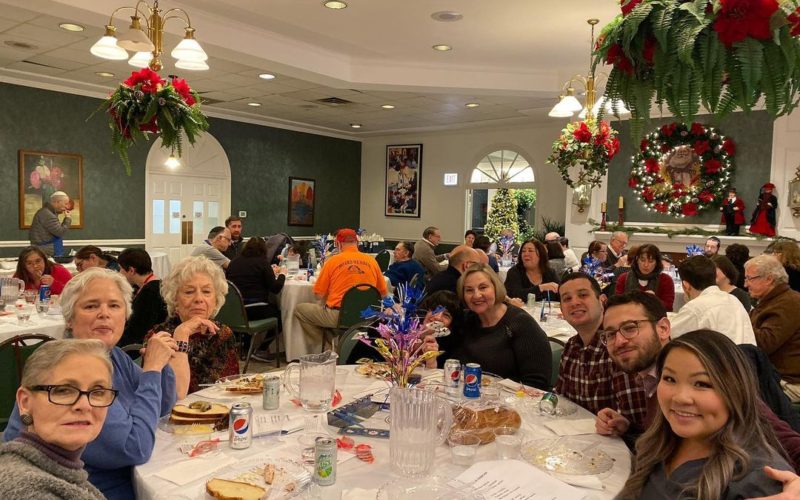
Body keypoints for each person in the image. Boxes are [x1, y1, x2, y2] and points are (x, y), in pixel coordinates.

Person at [4, 268, 188, 500]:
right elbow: (135, 448)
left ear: (126, 316)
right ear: (70, 319)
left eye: (114, 305)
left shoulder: (114, 356)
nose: (104, 314)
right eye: (91, 306)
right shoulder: (67, 366)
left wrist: (161, 366)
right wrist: (151, 370)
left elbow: (161, 409)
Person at [595, 291, 800, 472]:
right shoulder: (648, 378)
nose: (619, 341)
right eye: (611, 334)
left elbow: (784, 441)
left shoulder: (707, 374)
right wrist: (628, 428)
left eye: (630, 328)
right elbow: (673, 442)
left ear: (664, 328)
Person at [616, 330, 792, 499]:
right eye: (670, 379)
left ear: (736, 391)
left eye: (702, 383)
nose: (680, 398)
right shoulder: (660, 442)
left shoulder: (758, 479)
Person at [0, 339, 112, 499]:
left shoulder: (59, 470)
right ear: (25, 402)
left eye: (98, 391)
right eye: (63, 390)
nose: (85, 405)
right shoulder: (24, 489)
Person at [555, 273, 647, 427]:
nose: (574, 302)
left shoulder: (618, 346)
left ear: (602, 300)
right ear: (562, 310)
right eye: (567, 299)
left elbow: (636, 422)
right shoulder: (572, 346)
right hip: (574, 436)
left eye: (583, 295)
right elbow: (561, 400)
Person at [448, 263, 551, 389]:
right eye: (469, 290)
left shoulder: (521, 324)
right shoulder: (465, 320)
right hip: (469, 398)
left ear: (496, 288)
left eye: (483, 287)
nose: (476, 295)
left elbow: (537, 383)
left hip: (513, 402)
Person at [150, 256, 240, 394]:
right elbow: (169, 397)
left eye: (206, 292)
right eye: (189, 292)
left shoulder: (223, 333)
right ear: (175, 299)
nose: (199, 299)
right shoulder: (159, 338)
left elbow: (231, 387)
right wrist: (182, 334)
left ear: (216, 300)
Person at [295, 228, 389, 351]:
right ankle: (337, 346)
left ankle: (327, 349)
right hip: (368, 316)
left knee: (300, 310)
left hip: (339, 315)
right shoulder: (372, 261)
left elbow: (318, 295)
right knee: (327, 321)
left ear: (338, 244)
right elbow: (384, 294)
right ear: (357, 242)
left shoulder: (332, 261)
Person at [746, 255, 800, 402]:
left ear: (769, 279)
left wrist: (737, 321)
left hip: (788, 383)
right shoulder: (774, 300)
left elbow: (764, 344)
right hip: (775, 376)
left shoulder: (788, 303)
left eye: (750, 278)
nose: (746, 284)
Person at [670, 256, 755, 344]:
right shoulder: (734, 300)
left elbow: (669, 335)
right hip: (746, 356)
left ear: (686, 285)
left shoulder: (695, 308)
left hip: (720, 357)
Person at [226, 236, 286, 321]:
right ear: (264, 249)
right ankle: (260, 333)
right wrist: (282, 273)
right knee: (282, 315)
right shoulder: (262, 262)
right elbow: (275, 288)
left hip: (235, 310)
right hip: (256, 309)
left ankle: (251, 334)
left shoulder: (233, 262)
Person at [117, 248, 167, 347]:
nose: (119, 273)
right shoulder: (149, 286)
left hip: (140, 347)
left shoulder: (151, 292)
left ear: (131, 270)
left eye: (120, 269)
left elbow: (137, 332)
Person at [614, 244, 675, 311]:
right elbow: (617, 304)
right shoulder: (623, 278)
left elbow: (669, 308)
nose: (646, 265)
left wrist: (654, 300)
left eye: (651, 261)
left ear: (657, 263)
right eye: (642, 260)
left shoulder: (666, 280)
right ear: (637, 260)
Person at [29, 191, 71, 257]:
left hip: (44, 251)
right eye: (65, 204)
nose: (67, 207)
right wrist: (67, 218)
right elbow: (60, 232)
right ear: (57, 202)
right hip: (45, 253)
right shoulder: (48, 214)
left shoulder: (47, 212)